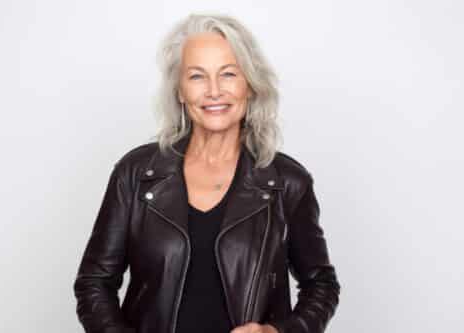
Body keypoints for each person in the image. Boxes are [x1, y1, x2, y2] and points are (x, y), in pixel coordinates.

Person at [73, 13, 341, 333]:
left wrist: (279, 332)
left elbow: (322, 285)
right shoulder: (136, 174)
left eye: (228, 74)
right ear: (180, 91)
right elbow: (94, 282)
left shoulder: (287, 183)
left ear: (250, 85)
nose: (214, 91)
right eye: (197, 76)